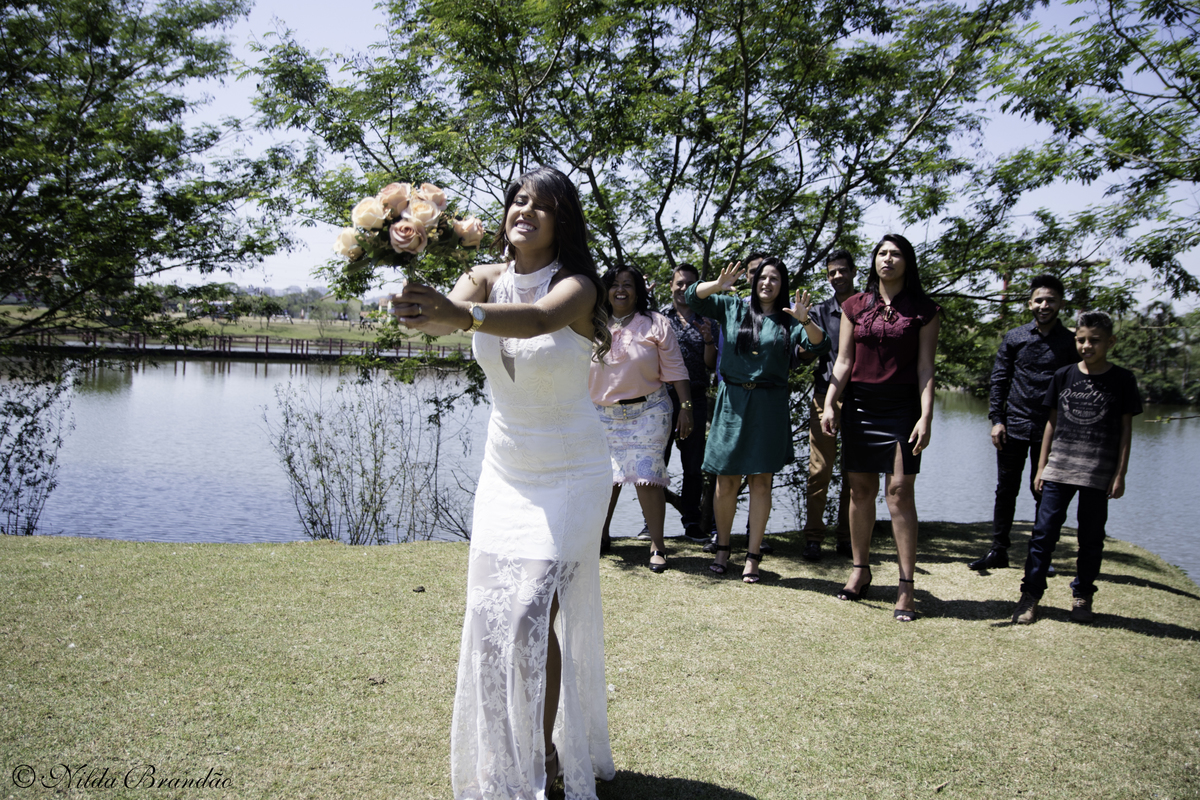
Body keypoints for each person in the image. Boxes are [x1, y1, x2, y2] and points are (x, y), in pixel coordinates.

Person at [391, 166, 615, 798]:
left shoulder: (578, 287)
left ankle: (542, 756)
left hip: (571, 472)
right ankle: (506, 751)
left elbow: (538, 319)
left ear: (562, 221)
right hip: (506, 470)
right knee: (493, 619)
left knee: (526, 614)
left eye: (542, 206)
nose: (527, 211)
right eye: (518, 199)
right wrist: (414, 287)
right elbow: (440, 318)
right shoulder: (485, 277)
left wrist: (461, 315)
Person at [686, 257, 828, 583]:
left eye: (774, 278)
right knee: (727, 480)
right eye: (762, 277)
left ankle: (752, 556)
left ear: (783, 284)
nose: (767, 283)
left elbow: (820, 346)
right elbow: (693, 297)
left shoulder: (789, 319)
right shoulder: (732, 307)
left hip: (769, 403)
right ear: (754, 281)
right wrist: (717, 286)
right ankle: (722, 547)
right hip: (732, 400)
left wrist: (807, 322)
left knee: (761, 480)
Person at [821, 234, 940, 622]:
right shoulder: (854, 306)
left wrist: (926, 416)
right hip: (860, 407)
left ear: (908, 262)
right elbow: (843, 360)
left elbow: (925, 368)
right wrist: (829, 402)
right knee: (860, 490)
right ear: (874, 261)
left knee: (900, 493)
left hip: (902, 409)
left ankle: (906, 587)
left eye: (895, 254)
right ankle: (860, 569)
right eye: (881, 253)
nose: (887, 259)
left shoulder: (924, 310)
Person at [1011, 311, 1141, 625]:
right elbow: (1051, 424)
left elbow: (1126, 430)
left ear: (1110, 342)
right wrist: (1041, 467)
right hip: (1058, 470)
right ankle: (1030, 596)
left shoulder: (1123, 380)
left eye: (1094, 340)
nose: (1087, 345)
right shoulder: (1064, 375)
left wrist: (1120, 473)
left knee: (1091, 538)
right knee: (1043, 535)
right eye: (1081, 339)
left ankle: (1082, 595)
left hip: (1098, 473)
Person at [969, 274, 1079, 572]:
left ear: (1060, 304)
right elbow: (999, 381)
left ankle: (1040, 554)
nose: (1045, 305)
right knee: (1006, 489)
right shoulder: (1015, 337)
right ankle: (998, 550)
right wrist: (997, 420)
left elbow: (1075, 387)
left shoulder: (1071, 343)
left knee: (1044, 492)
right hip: (1013, 426)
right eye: (1039, 300)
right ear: (1030, 303)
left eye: (1051, 300)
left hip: (1051, 431)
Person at [591, 265, 693, 571]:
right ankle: (600, 537)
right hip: (601, 415)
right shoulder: (591, 324)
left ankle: (657, 546)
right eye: (615, 284)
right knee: (603, 480)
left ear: (639, 291)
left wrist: (686, 407)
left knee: (647, 479)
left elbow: (676, 369)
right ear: (605, 290)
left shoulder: (656, 323)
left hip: (648, 412)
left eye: (628, 284)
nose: (621, 290)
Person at [797, 250, 856, 561]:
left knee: (854, 472)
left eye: (842, 271)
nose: (837, 277)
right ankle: (813, 537)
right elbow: (803, 353)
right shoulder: (818, 312)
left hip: (862, 399)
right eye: (832, 272)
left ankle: (847, 537)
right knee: (820, 470)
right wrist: (806, 333)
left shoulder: (867, 308)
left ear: (853, 272)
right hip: (825, 398)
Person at [659, 263, 717, 542]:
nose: (683, 288)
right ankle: (653, 521)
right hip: (661, 399)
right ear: (671, 285)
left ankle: (692, 522)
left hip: (694, 397)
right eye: (679, 283)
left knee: (693, 466)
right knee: (658, 463)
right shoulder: (658, 318)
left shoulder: (707, 319)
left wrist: (708, 341)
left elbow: (710, 365)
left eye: (689, 284)